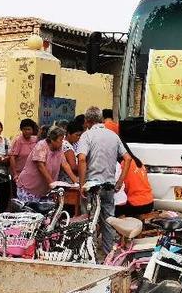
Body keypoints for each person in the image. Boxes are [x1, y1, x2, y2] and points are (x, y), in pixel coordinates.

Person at [77, 106, 132, 255]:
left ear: (87, 121)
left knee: (90, 221)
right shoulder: (113, 136)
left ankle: (90, 254)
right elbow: (127, 158)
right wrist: (119, 181)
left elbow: (81, 159)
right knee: (108, 221)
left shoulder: (86, 136)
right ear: (101, 119)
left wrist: (82, 185)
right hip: (109, 186)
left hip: (92, 187)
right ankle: (109, 255)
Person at [16, 126, 79, 202]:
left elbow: (65, 164)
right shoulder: (41, 145)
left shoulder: (59, 148)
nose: (62, 142)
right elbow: (40, 166)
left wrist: (75, 181)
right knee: (30, 209)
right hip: (29, 188)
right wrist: (52, 183)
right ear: (52, 140)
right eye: (60, 140)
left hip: (44, 190)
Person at [115, 151, 154, 217]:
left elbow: (121, 187)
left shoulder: (122, 164)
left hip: (135, 204)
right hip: (149, 202)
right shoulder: (137, 161)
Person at [9, 119, 38, 188]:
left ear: (32, 130)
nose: (27, 131)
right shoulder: (18, 140)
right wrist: (15, 174)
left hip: (32, 175)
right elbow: (12, 158)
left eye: (29, 129)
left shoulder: (35, 140)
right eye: (24, 129)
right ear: (21, 130)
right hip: (19, 175)